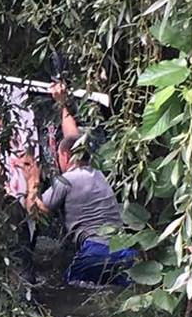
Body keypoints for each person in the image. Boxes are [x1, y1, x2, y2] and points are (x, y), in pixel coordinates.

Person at [22, 82, 135, 286]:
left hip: (95, 251)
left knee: (70, 289)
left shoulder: (68, 180)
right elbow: (72, 139)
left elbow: (36, 211)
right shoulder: (97, 174)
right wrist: (63, 104)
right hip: (124, 250)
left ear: (64, 155)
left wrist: (32, 180)